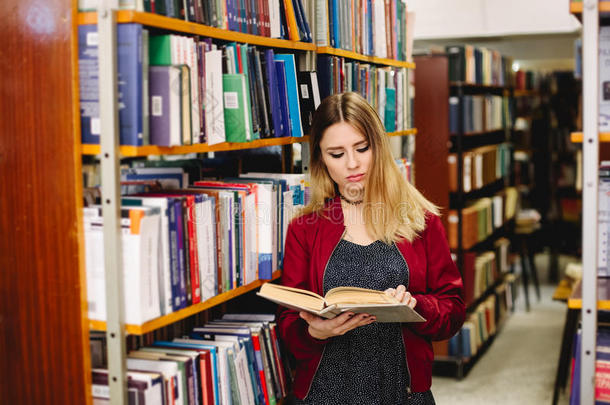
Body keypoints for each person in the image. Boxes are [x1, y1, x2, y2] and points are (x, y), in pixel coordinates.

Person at [277, 92, 465, 405]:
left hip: (401, 393)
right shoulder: (304, 229)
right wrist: (316, 333)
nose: (353, 164)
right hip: (323, 394)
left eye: (362, 148)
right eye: (336, 154)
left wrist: (415, 307)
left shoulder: (420, 221)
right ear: (321, 160)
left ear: (378, 146)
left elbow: (454, 311)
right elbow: (287, 323)